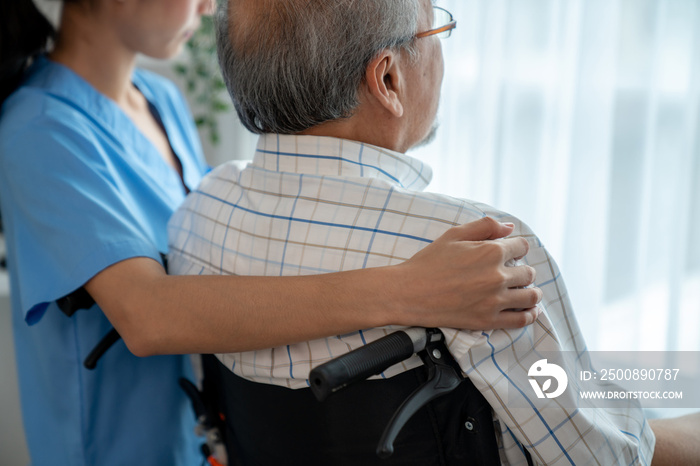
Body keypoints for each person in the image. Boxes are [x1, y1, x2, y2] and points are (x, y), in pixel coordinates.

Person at [0, 0, 544, 465]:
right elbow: (147, 316)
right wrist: (410, 290)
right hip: (118, 445)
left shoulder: (159, 100)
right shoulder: (40, 129)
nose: (210, 7)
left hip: (209, 432)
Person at [167, 0, 663, 464]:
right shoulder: (473, 250)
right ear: (387, 78)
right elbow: (602, 453)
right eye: (437, 29)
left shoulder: (198, 213)